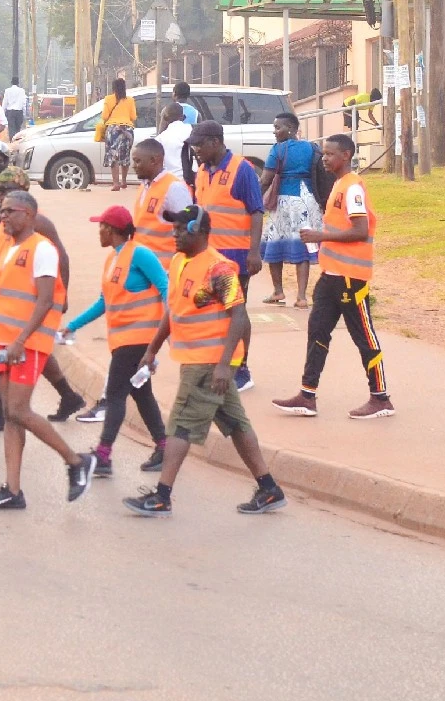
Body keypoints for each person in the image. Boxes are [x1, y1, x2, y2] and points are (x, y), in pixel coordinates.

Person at [123, 205, 288, 517]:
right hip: (199, 361)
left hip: (209, 363)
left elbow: (238, 315)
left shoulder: (219, 269)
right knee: (237, 425)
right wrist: (152, 349)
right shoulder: (179, 261)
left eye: (180, 229)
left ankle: (162, 496)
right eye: (173, 228)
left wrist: (225, 365)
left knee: (181, 424)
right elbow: (173, 311)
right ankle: (269, 488)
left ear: (198, 231)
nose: (174, 234)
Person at [0, 190, 97, 510]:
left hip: (26, 343)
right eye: (0, 212)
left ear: (28, 215)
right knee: (10, 415)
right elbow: (5, 289)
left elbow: (44, 301)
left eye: (10, 212)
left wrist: (20, 341)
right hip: (3, 340)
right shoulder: (9, 248)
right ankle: (12, 491)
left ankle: (75, 461)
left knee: (17, 410)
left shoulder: (42, 249)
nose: (3, 217)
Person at [272, 134, 395, 420]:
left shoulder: (352, 187)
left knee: (363, 336)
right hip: (331, 275)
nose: (324, 158)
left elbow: (360, 230)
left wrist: (321, 235)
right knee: (317, 331)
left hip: (351, 277)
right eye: (324, 153)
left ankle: (381, 398)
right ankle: (307, 394)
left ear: (347, 155)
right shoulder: (339, 185)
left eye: (330, 154)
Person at [62, 205, 170, 477]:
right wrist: (73, 326)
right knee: (141, 394)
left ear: (111, 230)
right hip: (123, 340)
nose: (98, 230)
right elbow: (104, 302)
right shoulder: (112, 260)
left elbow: (166, 287)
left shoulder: (140, 254)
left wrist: (166, 333)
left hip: (139, 339)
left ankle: (104, 455)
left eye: (101, 226)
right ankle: (164, 447)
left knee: (115, 394)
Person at [188, 121, 264, 392]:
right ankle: (217, 362)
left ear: (215, 142)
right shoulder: (202, 171)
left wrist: (254, 253)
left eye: (199, 144)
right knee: (209, 309)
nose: (195, 149)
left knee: (236, 312)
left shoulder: (241, 169)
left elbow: (257, 211)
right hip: (209, 257)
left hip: (235, 257)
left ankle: (241, 369)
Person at [258, 112, 322, 308]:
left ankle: (278, 291)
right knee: (303, 243)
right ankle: (302, 297)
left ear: (292, 129)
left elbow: (266, 180)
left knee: (274, 241)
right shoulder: (312, 147)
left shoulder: (278, 149)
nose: (275, 132)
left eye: (278, 127)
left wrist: (255, 201)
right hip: (309, 199)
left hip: (286, 200)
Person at [130, 138, 194, 273]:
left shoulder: (173, 188)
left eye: (138, 161)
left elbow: (189, 230)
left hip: (165, 272)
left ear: (154, 160)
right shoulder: (144, 186)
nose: (133, 165)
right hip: (143, 269)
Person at [101, 78, 137, 191]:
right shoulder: (130, 100)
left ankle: (116, 183)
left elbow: (105, 116)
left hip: (113, 129)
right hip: (127, 129)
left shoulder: (108, 99)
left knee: (113, 156)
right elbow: (133, 117)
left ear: (113, 88)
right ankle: (124, 181)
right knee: (125, 155)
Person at [156, 101, 193, 181]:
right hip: (189, 181)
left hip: (169, 182)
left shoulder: (160, 139)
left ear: (165, 118)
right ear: (183, 117)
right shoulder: (192, 131)